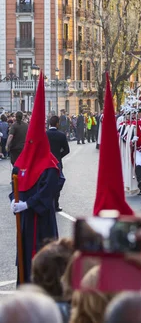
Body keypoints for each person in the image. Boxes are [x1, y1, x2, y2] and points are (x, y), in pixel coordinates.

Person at [9, 75, 62, 283]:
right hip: (25, 221)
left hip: (42, 221)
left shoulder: (49, 166)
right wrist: (14, 201)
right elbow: (15, 184)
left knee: (42, 258)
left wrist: (27, 204)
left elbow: (47, 193)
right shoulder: (20, 163)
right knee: (24, 260)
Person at [46, 115, 70, 212]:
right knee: (58, 182)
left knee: (46, 183)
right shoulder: (61, 135)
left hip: (46, 162)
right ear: (57, 124)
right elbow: (67, 150)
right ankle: (55, 204)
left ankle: (47, 203)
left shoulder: (45, 134)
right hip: (57, 162)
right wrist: (59, 156)